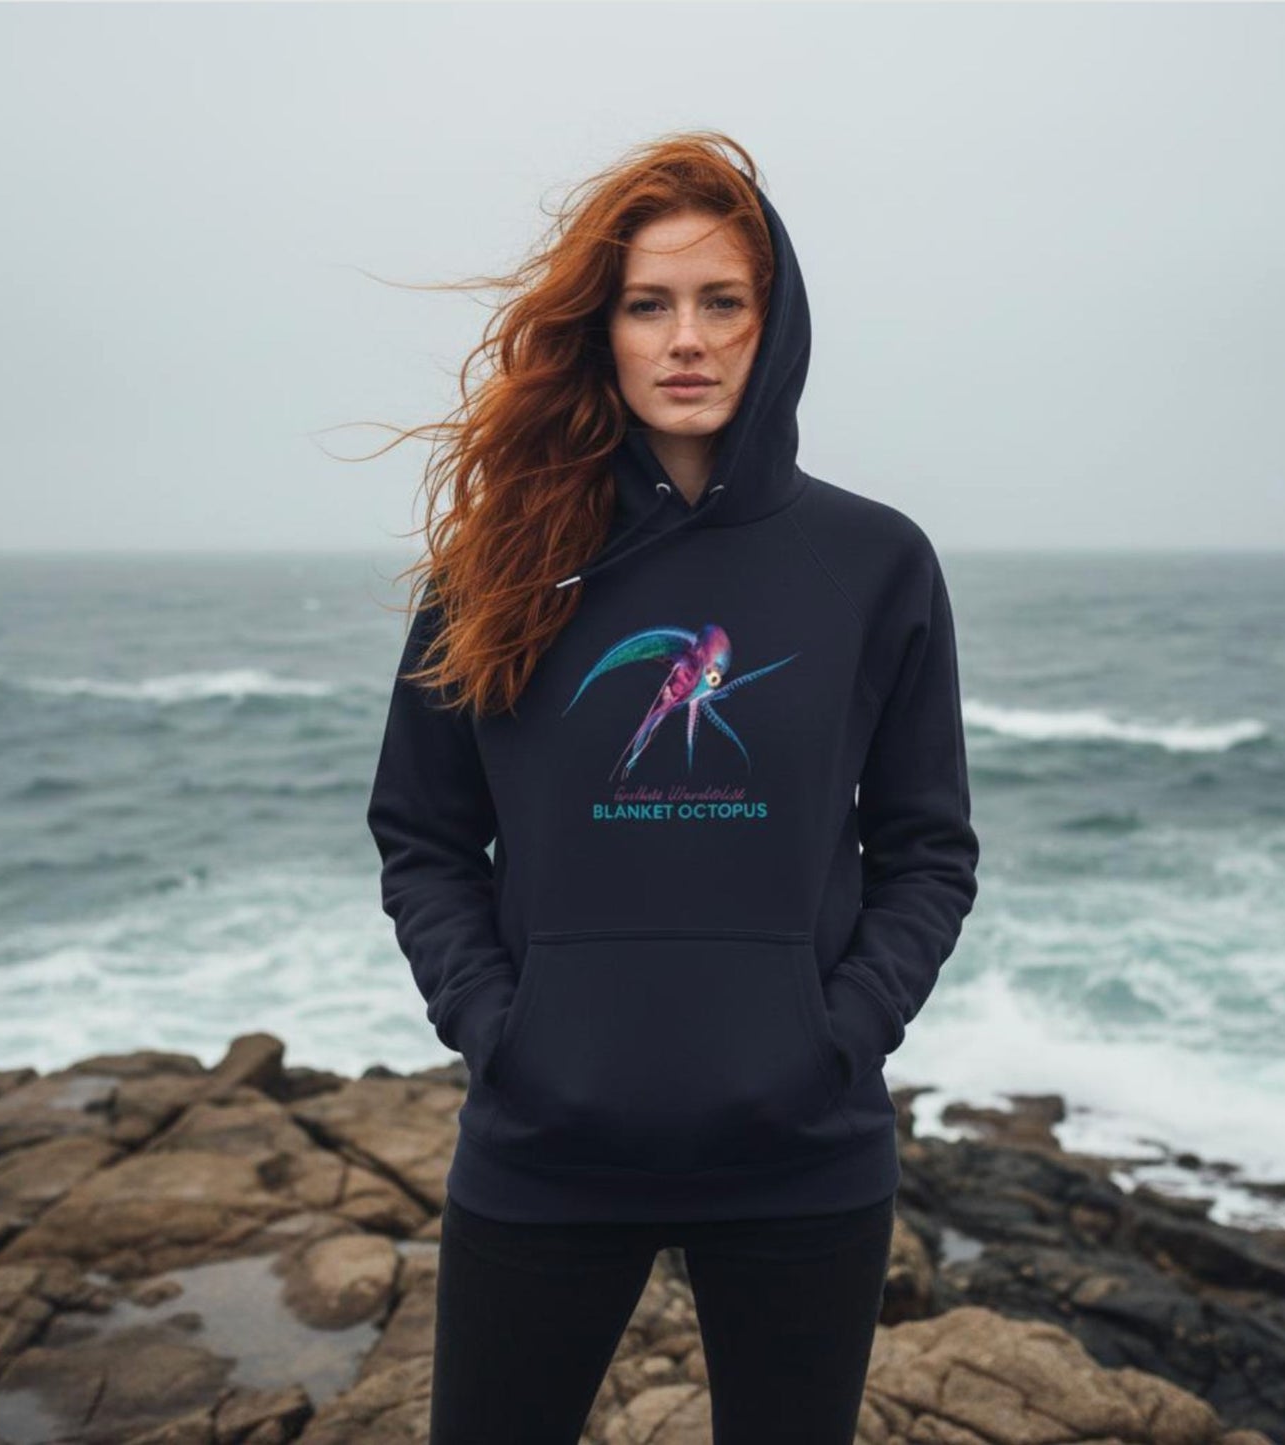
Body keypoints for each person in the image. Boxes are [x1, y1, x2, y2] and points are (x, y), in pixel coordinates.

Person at [367, 131, 980, 1444]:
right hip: (543, 1148)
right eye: (648, 305)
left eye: (721, 303)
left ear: (775, 325)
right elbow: (422, 833)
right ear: (603, 331)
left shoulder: (873, 562)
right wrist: (498, 1028)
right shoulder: (498, 565)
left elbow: (928, 846)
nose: (685, 339)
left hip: (801, 1155)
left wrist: (843, 1028)